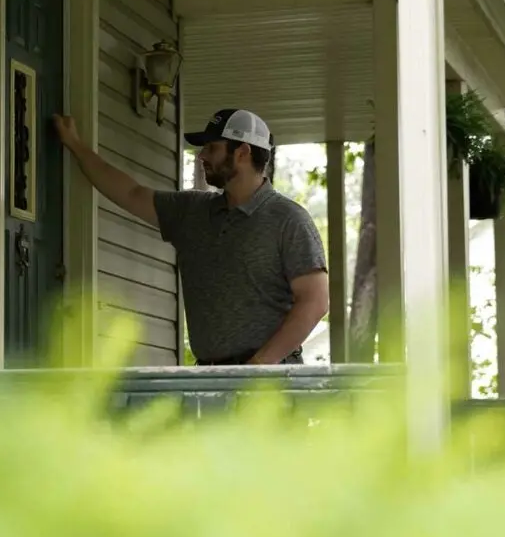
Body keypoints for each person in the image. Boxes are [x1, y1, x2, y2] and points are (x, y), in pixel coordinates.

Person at [52, 108, 329, 365]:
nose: (202, 156)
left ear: (243, 152)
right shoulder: (192, 213)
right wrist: (75, 145)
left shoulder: (289, 220)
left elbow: (315, 302)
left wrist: (257, 368)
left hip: (271, 386)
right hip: (209, 381)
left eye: (212, 148)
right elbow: (130, 193)